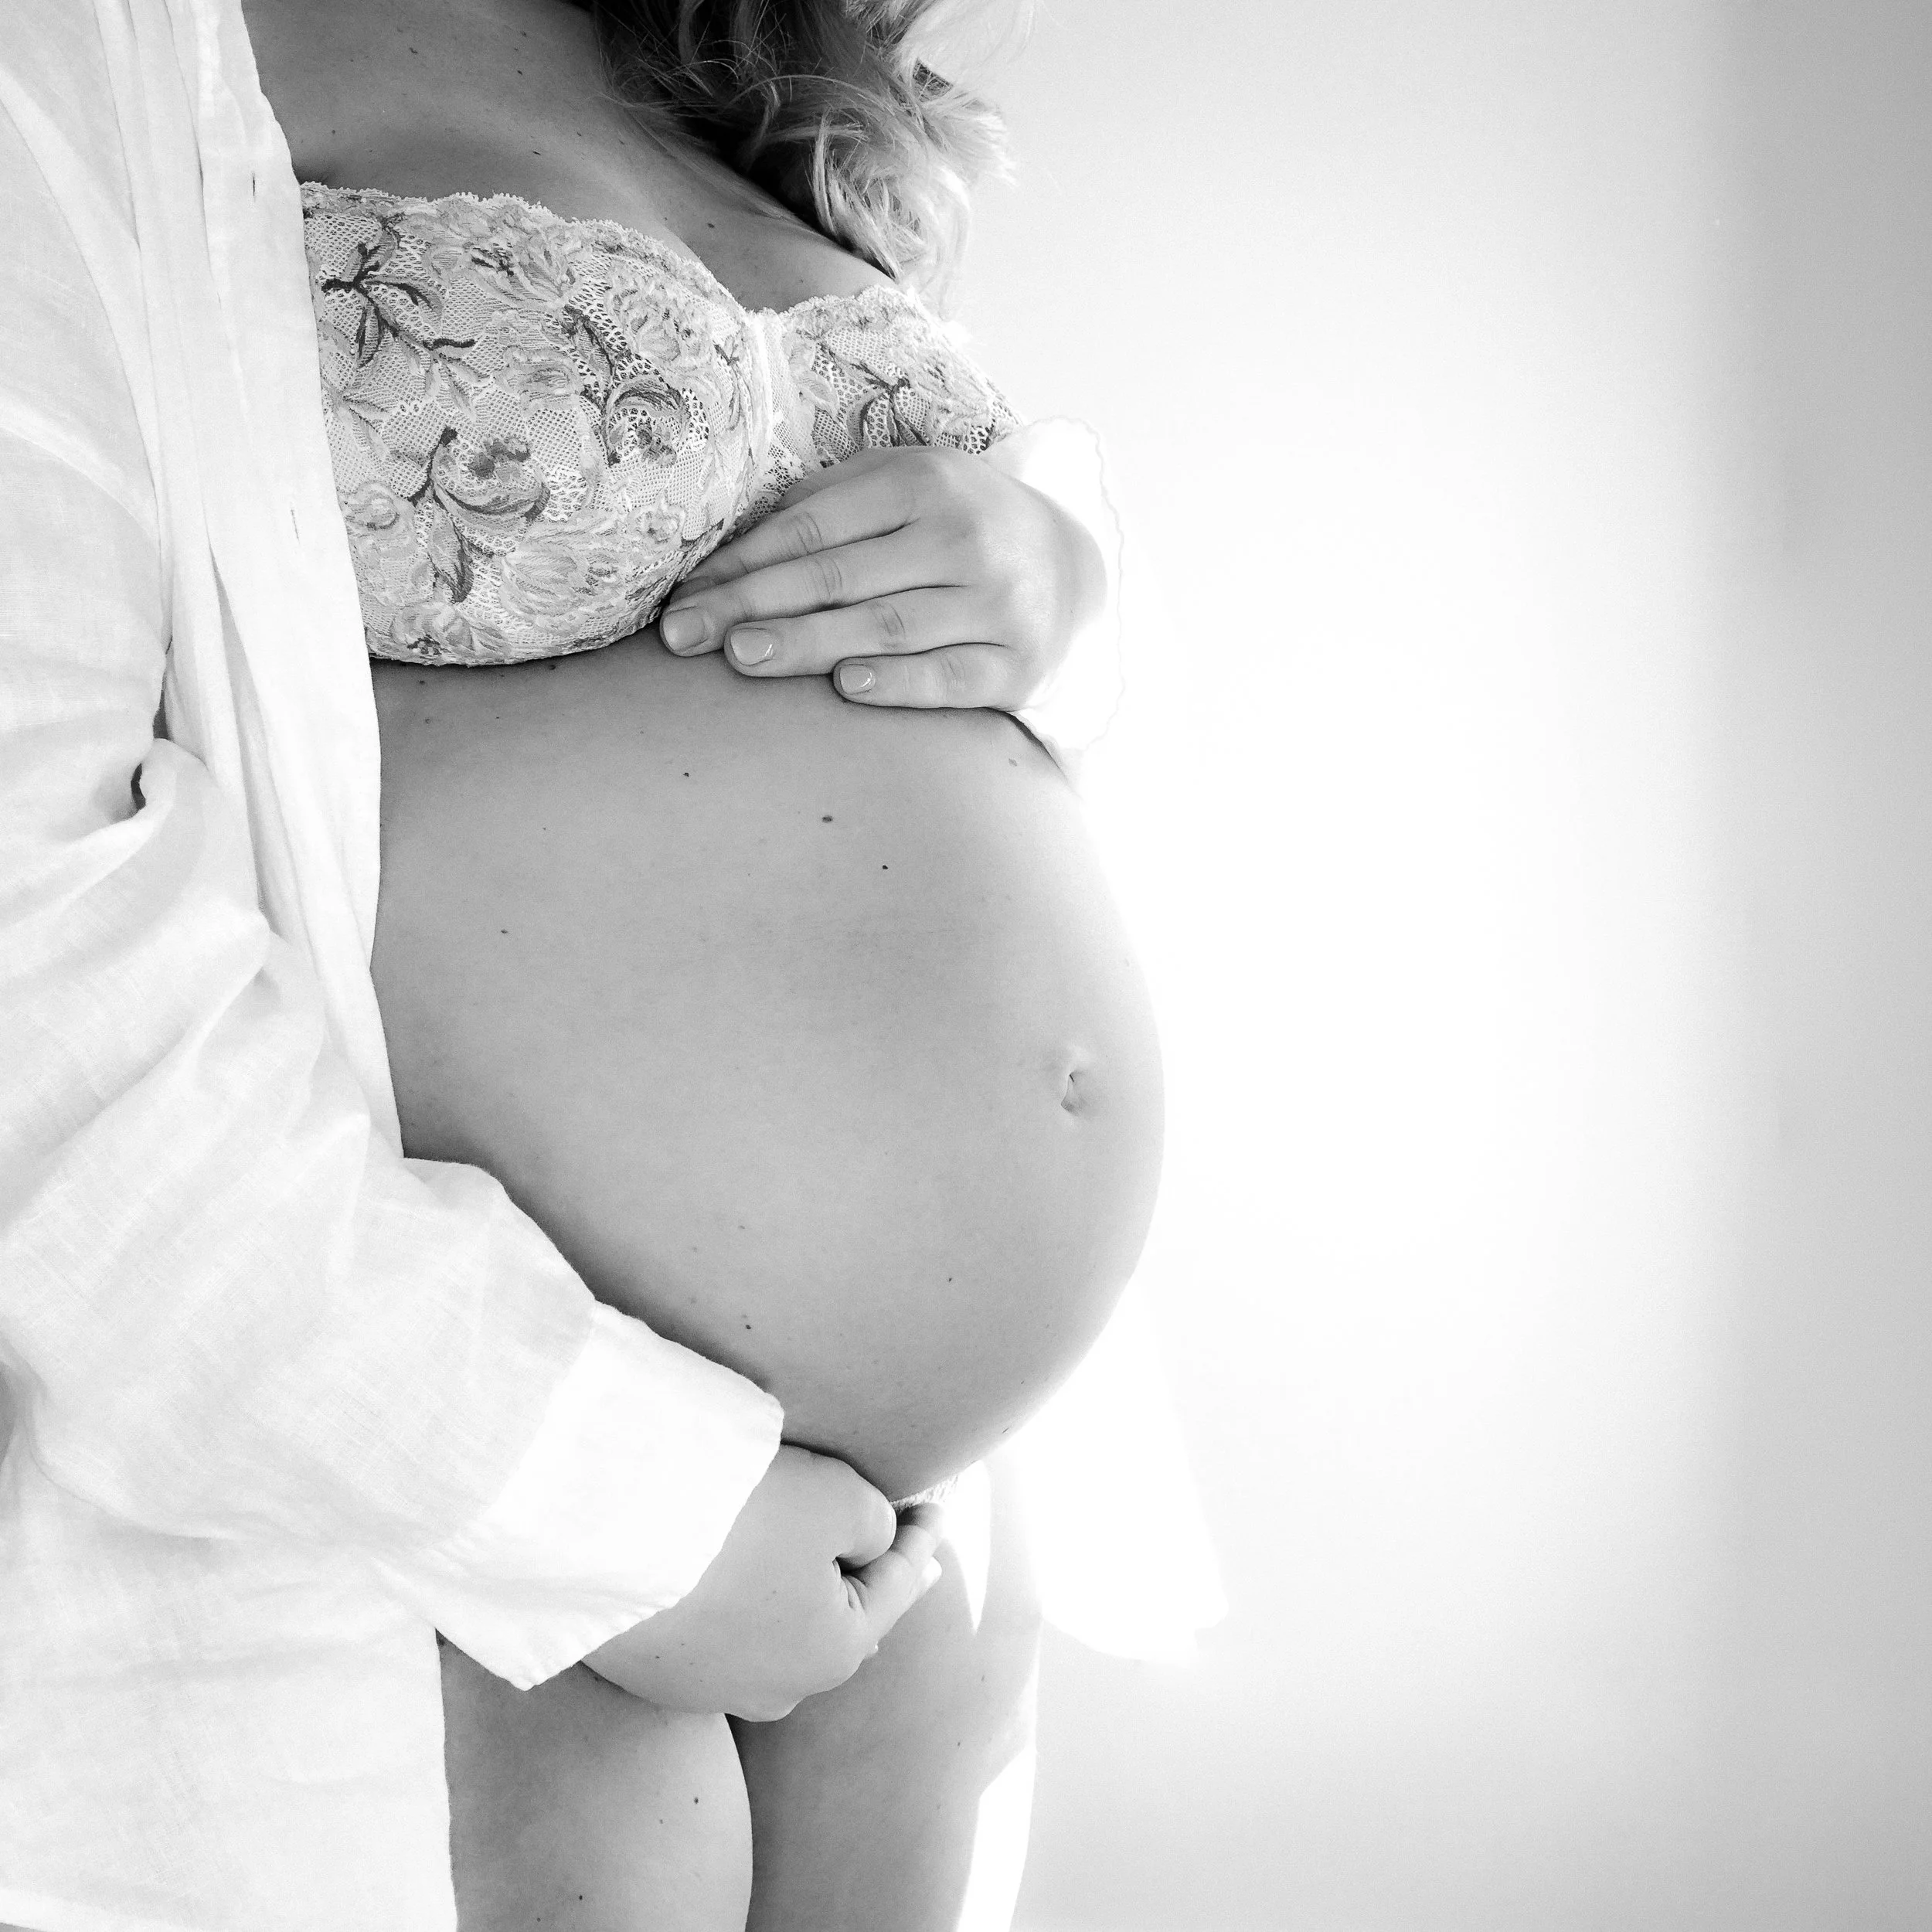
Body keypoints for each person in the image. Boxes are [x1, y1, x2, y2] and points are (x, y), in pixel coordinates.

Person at [0, 1, 1174, 1927]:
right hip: (452, 1533)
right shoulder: (81, 53)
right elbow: (31, 968)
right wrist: (624, 1511)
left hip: (906, 1577)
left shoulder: (729, 63)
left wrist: (1064, 587)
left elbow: (927, 721)